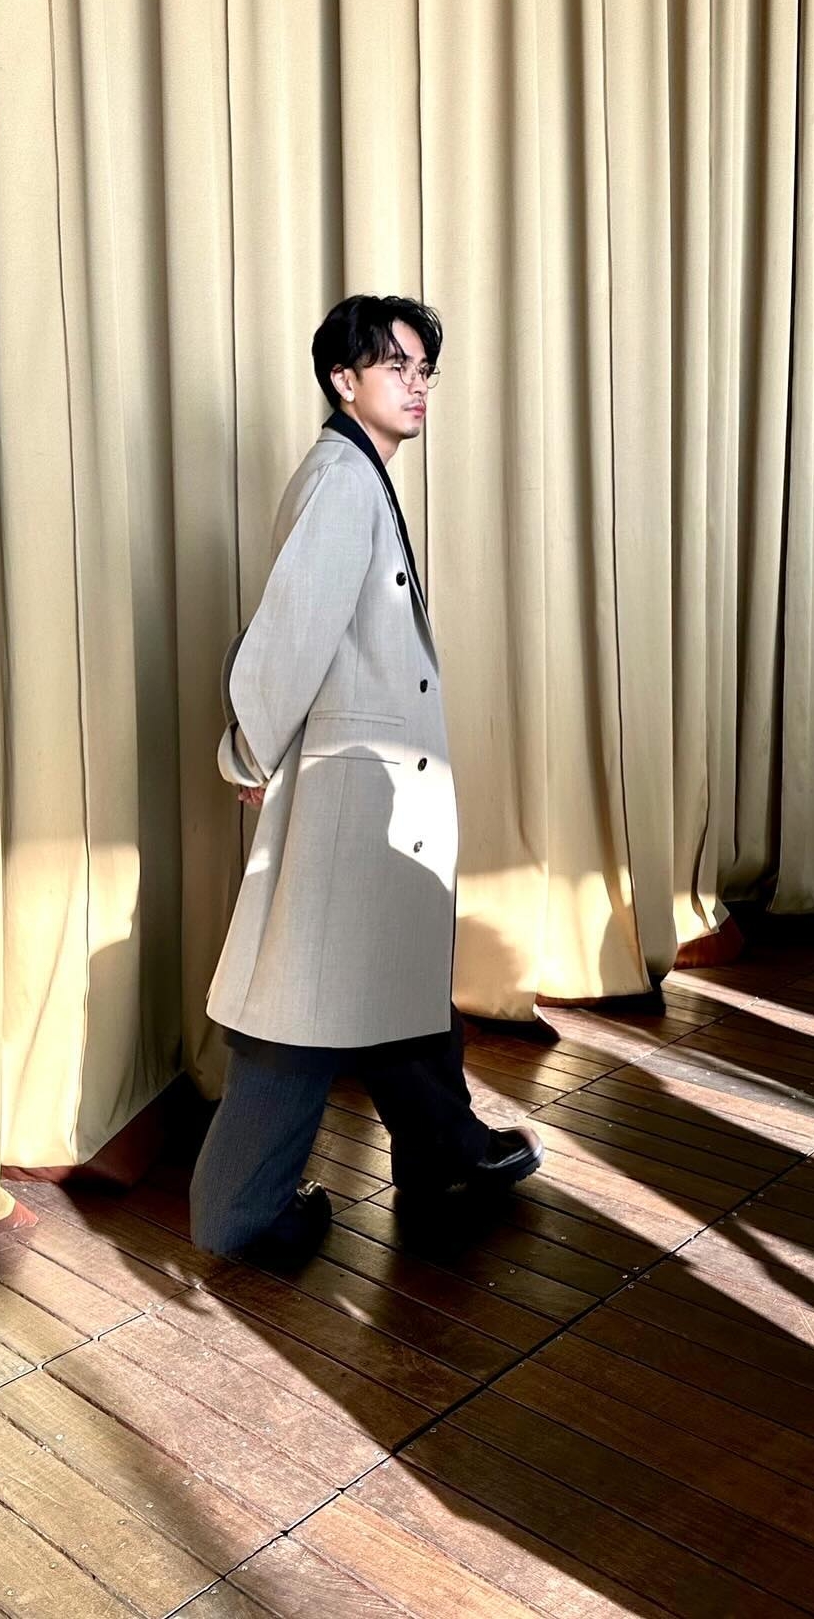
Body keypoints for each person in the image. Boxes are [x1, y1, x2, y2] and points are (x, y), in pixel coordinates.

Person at [190, 293, 543, 1267]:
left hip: (376, 794)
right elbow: (289, 633)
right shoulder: (344, 481)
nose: (417, 385)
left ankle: (443, 1158)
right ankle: (239, 1216)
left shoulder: (356, 475)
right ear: (344, 379)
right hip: (354, 799)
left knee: (397, 988)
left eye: (425, 370)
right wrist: (248, 753)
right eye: (396, 366)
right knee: (302, 1015)